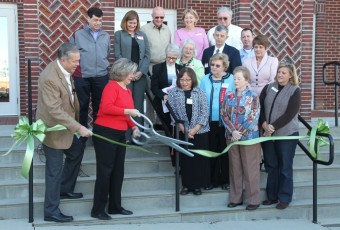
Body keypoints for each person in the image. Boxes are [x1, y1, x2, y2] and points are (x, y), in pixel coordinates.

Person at [36, 43, 93, 223]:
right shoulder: (50, 78)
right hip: (53, 129)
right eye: (75, 61)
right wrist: (78, 127)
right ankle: (51, 210)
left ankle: (65, 188)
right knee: (54, 171)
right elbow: (55, 110)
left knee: (76, 151)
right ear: (63, 59)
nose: (78, 64)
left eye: (78, 60)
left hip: (67, 126)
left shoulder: (66, 70)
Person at [91, 58, 141, 220]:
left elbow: (127, 114)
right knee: (105, 172)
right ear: (122, 72)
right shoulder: (111, 87)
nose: (132, 76)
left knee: (118, 172)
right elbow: (106, 108)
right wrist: (128, 111)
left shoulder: (127, 90)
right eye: (130, 73)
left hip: (119, 133)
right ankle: (98, 210)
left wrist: (133, 127)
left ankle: (115, 206)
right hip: (105, 132)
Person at [259, 61, 301, 210]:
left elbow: (290, 113)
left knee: (285, 167)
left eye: (284, 73)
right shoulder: (269, 87)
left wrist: (273, 127)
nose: (280, 75)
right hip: (267, 134)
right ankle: (272, 196)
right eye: (279, 72)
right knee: (271, 165)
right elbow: (260, 107)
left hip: (286, 135)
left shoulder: (295, 90)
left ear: (290, 75)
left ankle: (284, 197)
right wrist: (264, 124)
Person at [221, 66, 261, 211]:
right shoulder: (229, 95)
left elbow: (254, 116)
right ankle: (236, 198)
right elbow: (223, 114)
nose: (236, 81)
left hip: (249, 137)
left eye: (239, 78)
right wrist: (233, 131)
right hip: (231, 138)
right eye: (234, 78)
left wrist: (241, 132)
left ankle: (253, 199)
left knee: (250, 168)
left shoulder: (253, 96)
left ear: (246, 80)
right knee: (235, 168)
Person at [168, 67, 210, 195]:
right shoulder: (173, 93)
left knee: (198, 159)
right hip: (182, 132)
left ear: (193, 80)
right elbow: (173, 112)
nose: (184, 82)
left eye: (188, 79)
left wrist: (195, 129)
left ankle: (197, 186)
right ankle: (186, 185)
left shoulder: (200, 92)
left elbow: (204, 111)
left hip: (200, 132)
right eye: (182, 79)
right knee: (185, 160)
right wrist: (184, 130)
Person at [70, 7, 111, 127]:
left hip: (101, 77)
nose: (98, 23)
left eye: (100, 20)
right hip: (82, 77)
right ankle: (82, 136)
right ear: (88, 18)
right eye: (95, 20)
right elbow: (71, 54)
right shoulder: (78, 35)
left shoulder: (105, 36)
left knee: (99, 107)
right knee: (82, 106)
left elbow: (106, 53)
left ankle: (97, 135)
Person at [200, 53, 235, 191]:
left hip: (226, 124)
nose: (214, 67)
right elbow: (201, 99)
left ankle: (225, 180)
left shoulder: (231, 79)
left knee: (225, 152)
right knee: (211, 151)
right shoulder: (205, 79)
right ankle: (212, 180)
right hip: (209, 122)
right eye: (212, 65)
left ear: (224, 66)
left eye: (217, 65)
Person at [114, 10, 151, 128]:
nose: (132, 25)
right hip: (125, 75)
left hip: (140, 75)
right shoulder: (119, 34)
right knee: (126, 104)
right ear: (125, 22)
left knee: (138, 104)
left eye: (134, 23)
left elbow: (147, 55)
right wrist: (127, 72)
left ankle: (139, 133)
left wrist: (141, 72)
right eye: (130, 23)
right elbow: (117, 54)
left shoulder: (142, 35)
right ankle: (126, 134)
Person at [151, 44, 183, 166]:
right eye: (169, 57)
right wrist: (162, 95)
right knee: (169, 129)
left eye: (173, 58)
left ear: (177, 58)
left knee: (176, 130)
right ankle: (172, 155)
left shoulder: (180, 68)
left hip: (177, 104)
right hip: (162, 102)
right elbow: (153, 87)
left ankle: (177, 156)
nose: (170, 60)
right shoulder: (157, 68)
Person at [140, 6, 172, 128]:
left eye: (161, 17)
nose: (159, 19)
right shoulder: (144, 29)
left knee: (162, 92)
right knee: (151, 94)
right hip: (150, 65)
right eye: (157, 17)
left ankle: (161, 121)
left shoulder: (167, 29)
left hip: (164, 66)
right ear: (152, 16)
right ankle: (150, 121)